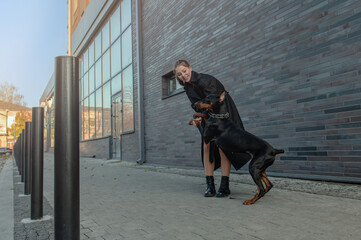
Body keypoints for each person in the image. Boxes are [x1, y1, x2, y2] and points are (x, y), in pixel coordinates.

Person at [174, 60, 250, 197]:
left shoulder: (205, 80)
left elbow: (217, 103)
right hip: (206, 116)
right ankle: (210, 186)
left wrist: (203, 114)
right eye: (179, 74)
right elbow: (195, 104)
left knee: (223, 146)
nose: (183, 75)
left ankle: (225, 186)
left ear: (190, 68)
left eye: (184, 71)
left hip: (222, 114)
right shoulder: (188, 88)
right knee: (207, 146)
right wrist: (199, 117)